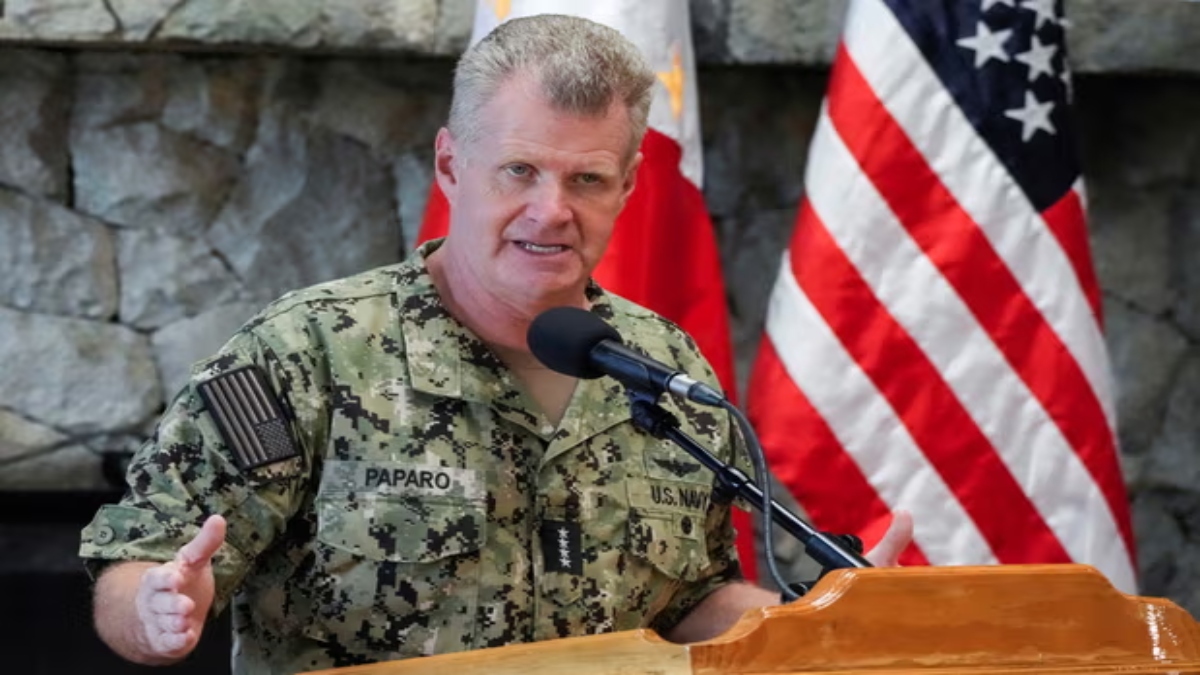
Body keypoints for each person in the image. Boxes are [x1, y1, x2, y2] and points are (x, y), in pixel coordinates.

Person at [79, 14, 912, 675]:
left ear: (625, 187)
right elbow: (140, 560)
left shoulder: (664, 371)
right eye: (520, 170)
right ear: (451, 165)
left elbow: (690, 598)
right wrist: (156, 612)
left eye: (585, 179)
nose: (552, 210)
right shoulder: (305, 351)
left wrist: (814, 621)